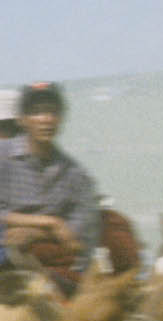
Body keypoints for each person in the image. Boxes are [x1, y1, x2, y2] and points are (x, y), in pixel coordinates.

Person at [0, 82, 100, 296]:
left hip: (48, 268)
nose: (45, 119)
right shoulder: (3, 156)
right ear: (22, 119)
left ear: (61, 119)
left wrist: (35, 234)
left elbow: (80, 241)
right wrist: (49, 222)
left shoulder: (75, 174)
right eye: (36, 112)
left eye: (52, 112)